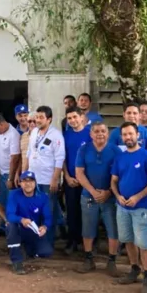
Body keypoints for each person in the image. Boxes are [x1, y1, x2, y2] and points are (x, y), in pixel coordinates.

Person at [111, 122, 147, 293]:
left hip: (141, 208)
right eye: (124, 134)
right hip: (122, 207)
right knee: (127, 240)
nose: (128, 137)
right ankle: (134, 269)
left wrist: (137, 197)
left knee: (144, 243)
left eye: (131, 134)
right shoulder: (120, 157)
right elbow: (114, 181)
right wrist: (117, 196)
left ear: (138, 135)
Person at [75, 121, 122, 275]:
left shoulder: (115, 150)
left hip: (110, 197)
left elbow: (120, 174)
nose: (100, 134)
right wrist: (93, 191)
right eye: (96, 131)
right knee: (88, 228)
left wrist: (109, 191)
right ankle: (88, 259)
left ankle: (112, 260)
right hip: (89, 196)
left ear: (108, 133)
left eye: (103, 131)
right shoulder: (84, 149)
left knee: (113, 229)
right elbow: (79, 173)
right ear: (91, 134)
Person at [26, 106, 66, 245]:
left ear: (49, 119)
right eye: (37, 117)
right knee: (34, 209)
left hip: (48, 180)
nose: (38, 120)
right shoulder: (34, 132)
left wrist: (55, 179)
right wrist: (25, 175)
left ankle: (48, 241)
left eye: (41, 117)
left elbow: (60, 159)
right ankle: (36, 237)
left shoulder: (56, 135)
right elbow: (29, 154)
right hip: (33, 180)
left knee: (48, 210)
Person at [5, 171, 53, 274]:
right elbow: (10, 214)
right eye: (24, 181)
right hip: (19, 228)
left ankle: (23, 248)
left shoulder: (43, 197)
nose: (28, 184)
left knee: (46, 252)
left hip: (33, 230)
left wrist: (44, 227)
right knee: (11, 225)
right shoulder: (14, 194)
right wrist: (21, 220)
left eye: (31, 181)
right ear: (20, 183)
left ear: (35, 183)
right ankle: (16, 261)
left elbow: (48, 217)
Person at [62, 107, 92, 253]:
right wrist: (67, 176)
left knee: (88, 212)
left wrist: (85, 179)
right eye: (69, 118)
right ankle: (72, 241)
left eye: (75, 117)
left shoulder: (90, 134)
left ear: (82, 117)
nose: (73, 120)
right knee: (72, 211)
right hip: (71, 180)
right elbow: (62, 158)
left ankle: (89, 243)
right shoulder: (65, 135)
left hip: (87, 181)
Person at [0, 113, 21, 235]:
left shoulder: (13, 135)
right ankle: (3, 226)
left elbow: (15, 158)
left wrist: (11, 178)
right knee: (2, 202)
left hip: (9, 175)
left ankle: (12, 228)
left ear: (1, 124)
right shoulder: (1, 133)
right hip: (2, 173)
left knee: (10, 202)